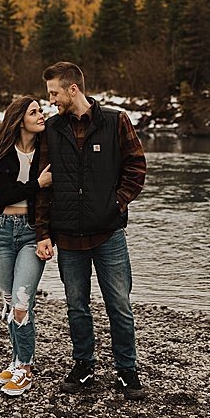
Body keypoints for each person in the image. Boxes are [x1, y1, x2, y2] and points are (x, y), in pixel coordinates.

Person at [35, 61, 148, 400]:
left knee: (119, 305)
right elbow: (43, 186)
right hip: (68, 237)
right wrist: (43, 233)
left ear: (73, 89)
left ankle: (127, 371)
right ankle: (84, 366)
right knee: (76, 306)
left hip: (108, 234)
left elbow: (137, 167)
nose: (51, 100)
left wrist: (116, 204)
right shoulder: (51, 130)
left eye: (54, 93)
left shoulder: (115, 121)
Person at [0, 94, 53, 397]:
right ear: (19, 119)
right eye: (34, 112)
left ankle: (24, 367)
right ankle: (15, 360)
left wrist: (46, 235)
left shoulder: (47, 151)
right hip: (1, 234)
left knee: (22, 304)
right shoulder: (1, 154)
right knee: (11, 302)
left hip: (31, 233)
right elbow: (2, 197)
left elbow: (52, 199)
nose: (41, 116)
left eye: (41, 111)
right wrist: (38, 184)